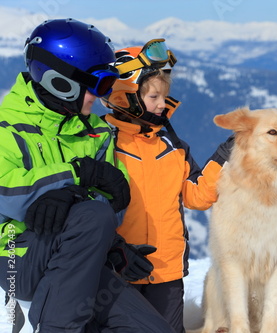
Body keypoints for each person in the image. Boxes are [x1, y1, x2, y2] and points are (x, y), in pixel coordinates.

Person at [0, 18, 175, 332]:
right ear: (60, 81)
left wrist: (109, 241)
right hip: (14, 259)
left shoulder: (96, 133)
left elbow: (114, 205)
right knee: (91, 213)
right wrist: (75, 176)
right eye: (97, 85)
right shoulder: (6, 128)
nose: (99, 95)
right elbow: (4, 191)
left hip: (73, 260)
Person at [101, 40, 232, 333]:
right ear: (125, 96)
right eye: (153, 96)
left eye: (165, 96)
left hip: (167, 272)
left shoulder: (173, 146)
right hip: (119, 271)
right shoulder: (103, 143)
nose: (163, 104)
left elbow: (198, 196)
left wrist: (224, 156)